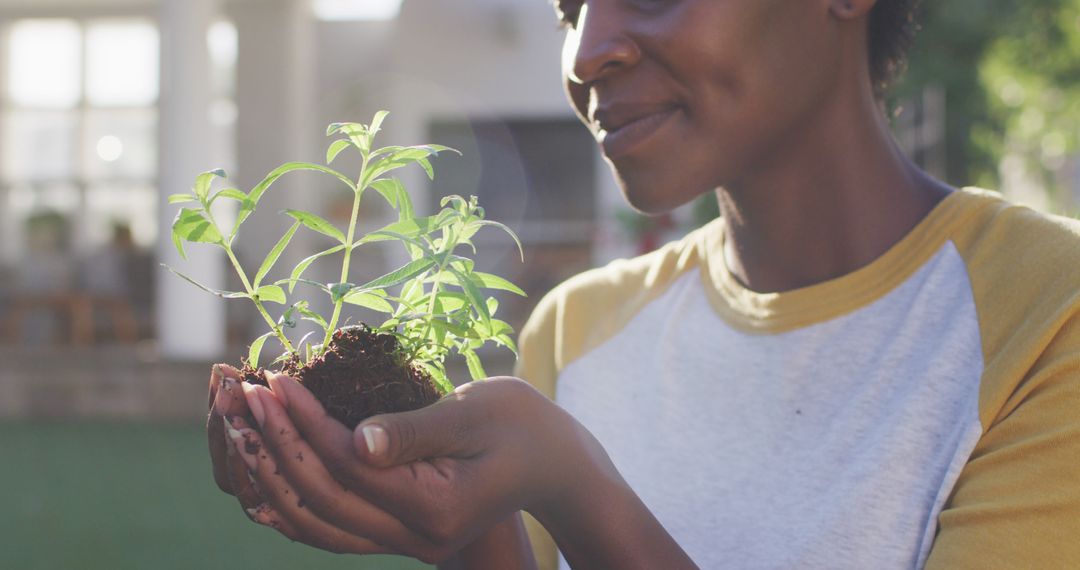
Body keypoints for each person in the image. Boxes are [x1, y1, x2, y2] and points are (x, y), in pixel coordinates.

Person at [206, 0, 1080, 568]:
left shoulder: (1047, 313)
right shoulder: (582, 325)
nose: (587, 53)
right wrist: (473, 532)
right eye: (567, 6)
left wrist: (578, 490)